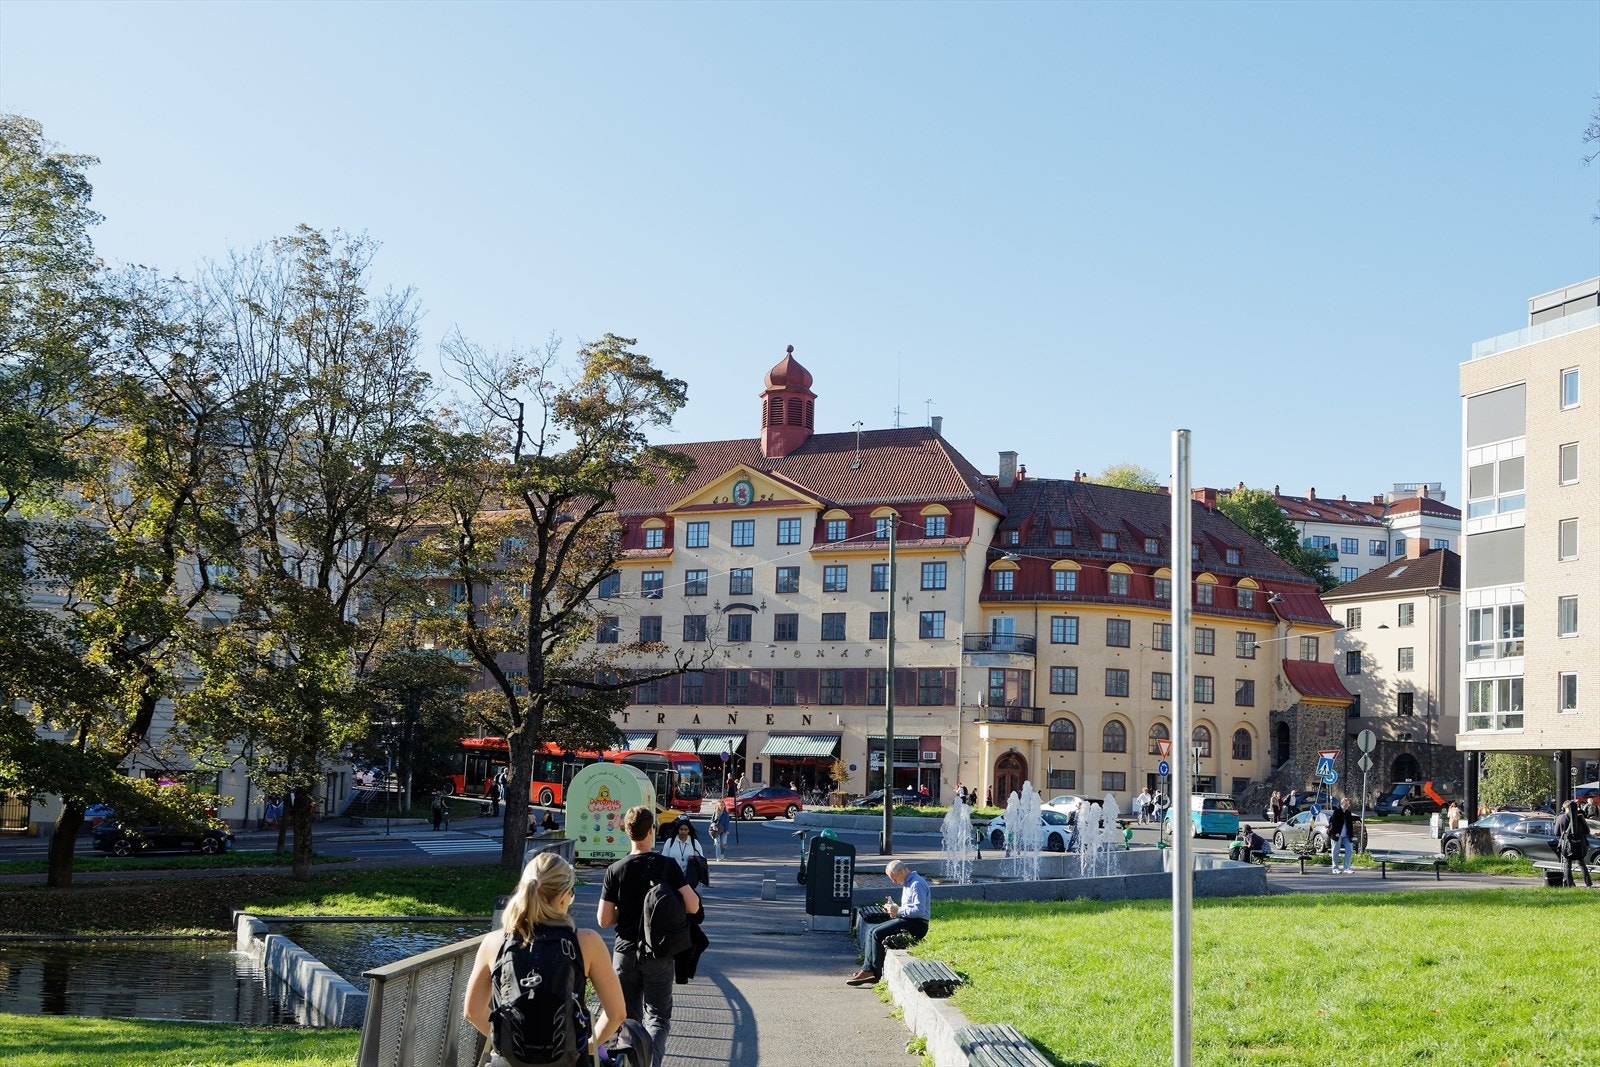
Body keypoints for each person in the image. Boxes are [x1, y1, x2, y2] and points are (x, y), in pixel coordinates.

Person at [465, 851, 625, 1066]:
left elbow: (472, 1011)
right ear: (563, 897)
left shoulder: (494, 942)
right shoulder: (587, 941)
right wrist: (584, 1045)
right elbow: (616, 1014)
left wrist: (507, 1040)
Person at [599, 805, 701, 1067]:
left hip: (624, 953)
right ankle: (650, 1063)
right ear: (652, 830)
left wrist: (628, 910)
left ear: (627, 832)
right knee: (657, 1018)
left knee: (627, 1019)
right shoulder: (666, 866)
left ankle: (631, 1062)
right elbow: (693, 906)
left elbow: (604, 919)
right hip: (658, 952)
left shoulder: (615, 870)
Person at [846, 860, 930, 986]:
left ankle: (874, 972)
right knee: (872, 931)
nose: (893, 881)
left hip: (917, 925)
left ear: (901, 872)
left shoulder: (916, 884)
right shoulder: (909, 882)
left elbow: (919, 911)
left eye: (894, 877)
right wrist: (895, 909)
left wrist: (898, 910)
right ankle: (867, 969)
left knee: (877, 934)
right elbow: (910, 908)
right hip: (909, 921)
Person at [1554, 798, 1594, 888]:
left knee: (1567, 864)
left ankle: (1570, 884)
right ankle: (1588, 883)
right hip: (1580, 845)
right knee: (1582, 864)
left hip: (1567, 845)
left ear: (1565, 808)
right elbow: (1587, 831)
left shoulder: (1561, 818)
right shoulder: (1580, 817)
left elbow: (1556, 833)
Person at [660, 819, 707, 888]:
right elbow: (664, 858)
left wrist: (694, 858)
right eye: (681, 829)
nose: (683, 831)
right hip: (673, 877)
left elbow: (701, 859)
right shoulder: (670, 842)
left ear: (689, 830)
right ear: (677, 830)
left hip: (689, 879)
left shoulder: (694, 843)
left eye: (685, 829)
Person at [1328, 797, 1356, 873]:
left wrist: (1352, 835)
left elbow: (1350, 825)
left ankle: (1347, 868)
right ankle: (1335, 868)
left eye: (1348, 805)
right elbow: (1333, 823)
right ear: (1341, 804)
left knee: (1349, 850)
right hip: (1337, 834)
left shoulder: (1348, 813)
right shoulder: (1336, 812)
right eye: (1345, 804)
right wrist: (1336, 832)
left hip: (1346, 835)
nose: (1346, 806)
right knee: (1335, 851)